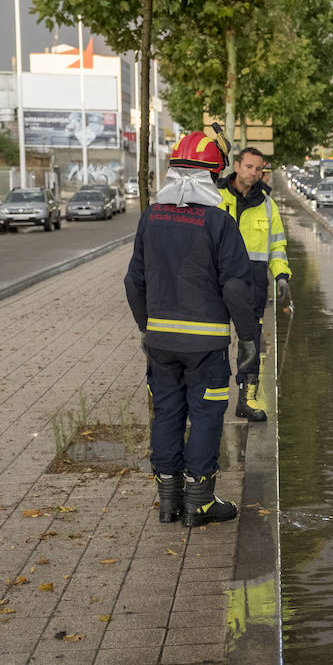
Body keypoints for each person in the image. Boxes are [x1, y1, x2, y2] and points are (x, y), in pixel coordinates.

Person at [125, 129, 255, 526]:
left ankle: (168, 500)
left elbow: (134, 282)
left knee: (166, 413)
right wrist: (249, 336)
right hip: (205, 347)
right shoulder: (219, 222)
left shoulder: (151, 218)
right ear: (213, 177)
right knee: (205, 416)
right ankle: (199, 502)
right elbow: (234, 286)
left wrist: (148, 327)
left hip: (161, 344)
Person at [218, 147, 291, 422]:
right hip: (216, 282)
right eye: (249, 166)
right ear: (237, 166)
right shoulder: (216, 196)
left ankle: (246, 400)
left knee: (250, 343)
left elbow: (278, 246)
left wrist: (282, 275)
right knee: (214, 342)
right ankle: (209, 399)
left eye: (259, 168)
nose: (254, 173)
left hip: (253, 285)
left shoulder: (267, 205)